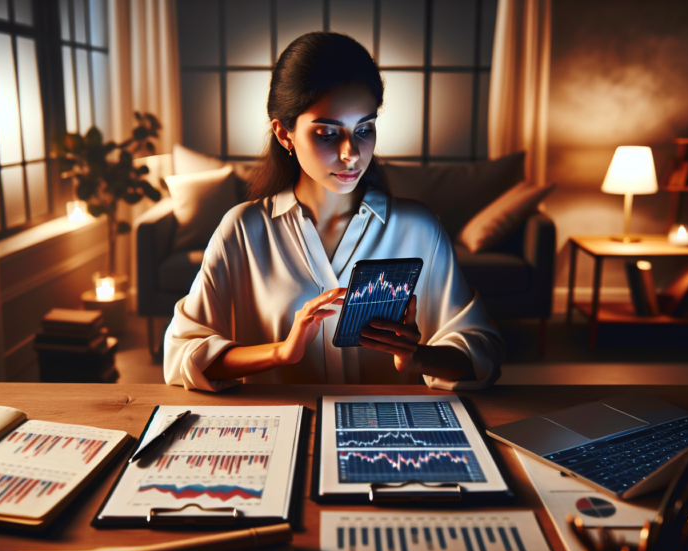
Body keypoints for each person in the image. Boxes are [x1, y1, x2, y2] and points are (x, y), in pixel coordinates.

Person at [164, 32, 504, 391]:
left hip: (384, 424)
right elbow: (182, 353)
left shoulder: (418, 228)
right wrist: (281, 352)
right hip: (284, 421)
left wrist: (418, 357)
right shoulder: (243, 231)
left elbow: (484, 351)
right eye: (327, 133)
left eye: (364, 129)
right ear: (284, 134)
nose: (351, 153)